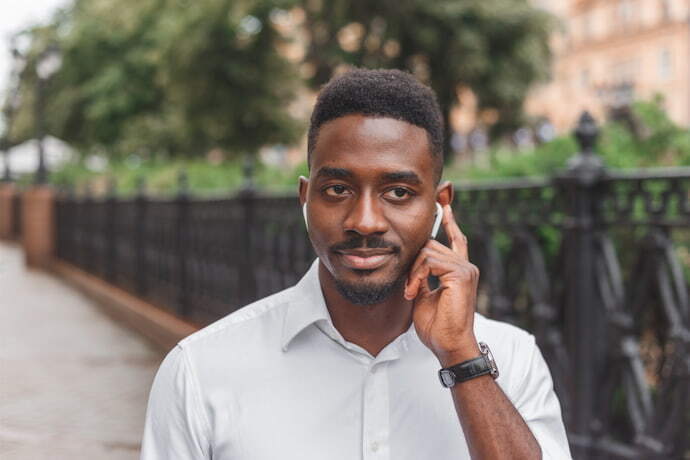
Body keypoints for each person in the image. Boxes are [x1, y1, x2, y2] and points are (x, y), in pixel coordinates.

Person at [140, 68, 571, 459]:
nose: (364, 221)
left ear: (440, 206)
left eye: (398, 192)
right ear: (305, 198)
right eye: (337, 190)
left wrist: (462, 358)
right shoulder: (202, 369)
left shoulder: (511, 359)